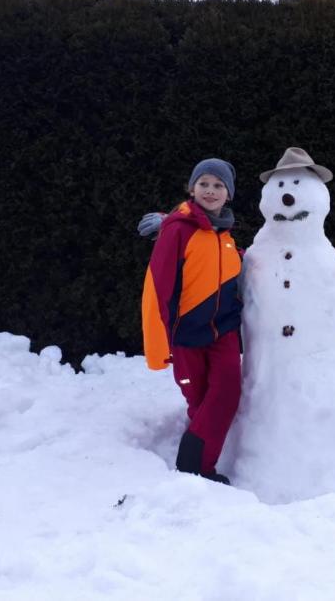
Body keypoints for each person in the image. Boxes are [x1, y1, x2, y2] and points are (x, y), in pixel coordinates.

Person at [140, 158, 242, 484]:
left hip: (223, 332)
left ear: (229, 194)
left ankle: (194, 468)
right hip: (187, 336)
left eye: (218, 186)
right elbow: (158, 286)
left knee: (225, 393)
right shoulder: (179, 230)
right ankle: (195, 478)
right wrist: (160, 344)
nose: (210, 191)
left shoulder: (225, 236)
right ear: (192, 188)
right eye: (204, 184)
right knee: (198, 401)